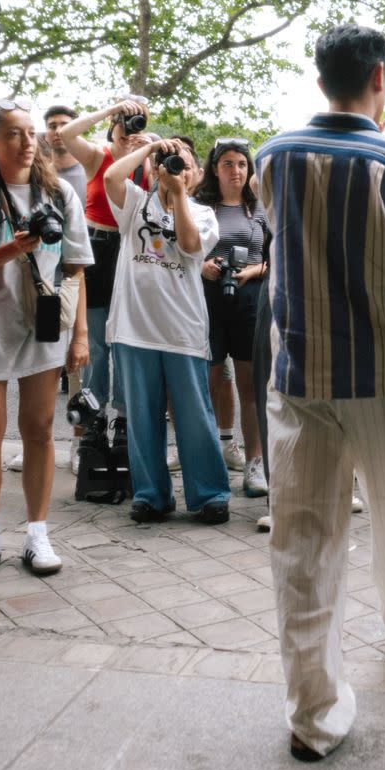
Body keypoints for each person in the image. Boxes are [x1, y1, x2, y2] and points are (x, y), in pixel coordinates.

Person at [255, 23, 385, 762]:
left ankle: (314, 714)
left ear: (321, 77)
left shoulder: (273, 156)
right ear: (378, 77)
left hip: (298, 375)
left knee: (301, 543)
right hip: (376, 379)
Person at [0, 98, 91, 579]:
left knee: (39, 428)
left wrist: (80, 337)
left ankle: (38, 534)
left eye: (31, 133)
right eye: (13, 134)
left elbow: (76, 269)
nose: (27, 142)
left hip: (44, 322)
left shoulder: (57, 194)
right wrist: (10, 249)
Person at [103, 135, 231, 525]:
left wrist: (177, 197)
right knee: (142, 417)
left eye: (185, 163)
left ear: (195, 176)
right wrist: (151, 148)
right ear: (156, 168)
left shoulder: (204, 213)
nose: (178, 167)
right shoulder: (136, 202)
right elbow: (110, 175)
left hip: (182, 328)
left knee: (194, 414)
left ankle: (209, 494)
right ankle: (151, 495)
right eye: (171, 162)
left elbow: (191, 246)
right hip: (133, 328)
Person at [58, 98, 151, 467]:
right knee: (96, 345)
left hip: (131, 252)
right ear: (114, 124)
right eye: (124, 122)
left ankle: (126, 426)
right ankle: (91, 429)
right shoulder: (98, 156)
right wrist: (108, 111)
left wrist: (150, 148)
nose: (130, 129)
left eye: (135, 121)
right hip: (96, 251)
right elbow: (66, 134)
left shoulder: (146, 155)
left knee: (126, 342)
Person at [193, 136, 268, 496]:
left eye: (242, 163)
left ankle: (255, 465)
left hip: (249, 302)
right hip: (207, 300)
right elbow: (183, 250)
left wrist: (253, 272)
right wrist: (202, 265)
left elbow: (274, 256)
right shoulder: (198, 206)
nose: (236, 170)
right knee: (207, 384)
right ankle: (208, 463)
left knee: (250, 386)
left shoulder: (260, 208)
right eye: (228, 163)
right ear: (214, 168)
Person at [42, 105, 87, 206]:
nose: (59, 131)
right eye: (53, 126)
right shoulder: (41, 177)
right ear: (46, 137)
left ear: (77, 133)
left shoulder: (92, 172)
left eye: (66, 126)